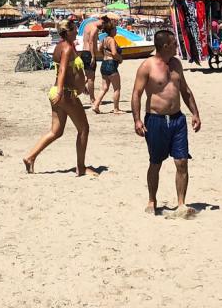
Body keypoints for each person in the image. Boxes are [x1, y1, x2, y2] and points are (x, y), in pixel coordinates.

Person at [131, 29, 202, 218]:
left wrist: (195, 113)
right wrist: (137, 120)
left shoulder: (176, 64)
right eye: (174, 44)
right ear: (165, 46)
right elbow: (136, 94)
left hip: (178, 119)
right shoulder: (147, 66)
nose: (176, 46)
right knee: (156, 162)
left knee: (182, 162)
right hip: (156, 120)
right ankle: (152, 200)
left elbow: (185, 90)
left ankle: (181, 203)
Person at [23, 21, 90, 176]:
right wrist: (61, 92)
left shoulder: (61, 46)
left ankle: (30, 157)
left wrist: (81, 84)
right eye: (74, 29)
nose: (76, 32)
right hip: (65, 94)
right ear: (68, 32)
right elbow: (62, 70)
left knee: (56, 131)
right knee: (84, 128)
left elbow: (71, 71)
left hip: (58, 92)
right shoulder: (66, 48)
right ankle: (81, 167)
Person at [80, 14, 118, 104]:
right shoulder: (95, 28)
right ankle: (92, 99)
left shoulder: (88, 25)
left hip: (84, 52)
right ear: (102, 22)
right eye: (104, 25)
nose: (104, 28)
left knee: (88, 76)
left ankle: (82, 86)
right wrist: (93, 56)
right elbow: (91, 42)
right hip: (89, 53)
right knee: (91, 78)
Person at [92, 28, 123, 114]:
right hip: (111, 64)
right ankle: (116, 109)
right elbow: (114, 53)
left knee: (104, 88)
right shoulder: (111, 40)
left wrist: (105, 54)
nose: (116, 31)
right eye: (115, 30)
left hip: (104, 63)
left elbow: (99, 49)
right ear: (111, 30)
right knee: (117, 88)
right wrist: (120, 59)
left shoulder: (104, 39)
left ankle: (96, 105)